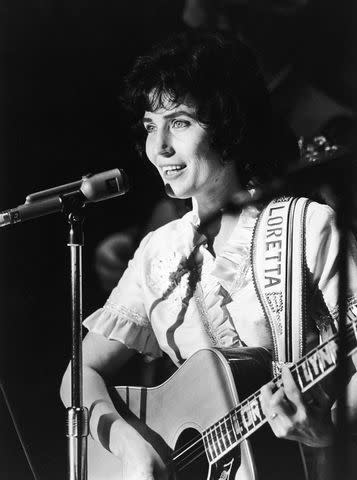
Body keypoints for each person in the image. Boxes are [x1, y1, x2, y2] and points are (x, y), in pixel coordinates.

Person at [60, 31, 357, 480]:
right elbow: (78, 375)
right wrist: (130, 447)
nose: (158, 147)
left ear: (228, 125)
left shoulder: (308, 226)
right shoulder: (159, 253)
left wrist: (328, 432)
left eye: (179, 122)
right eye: (149, 126)